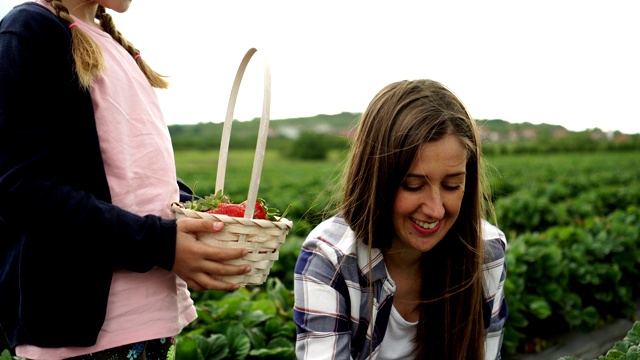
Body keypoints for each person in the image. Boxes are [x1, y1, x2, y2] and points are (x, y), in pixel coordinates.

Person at [0, 1, 252, 359]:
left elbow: (133, 175)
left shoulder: (113, 44)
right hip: (83, 330)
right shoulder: (29, 31)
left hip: (153, 315)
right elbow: (21, 190)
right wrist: (161, 244)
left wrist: (194, 214)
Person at [293, 79, 508, 359]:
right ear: (377, 179)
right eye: (413, 185)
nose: (435, 210)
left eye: (452, 185)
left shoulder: (485, 251)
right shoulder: (330, 259)